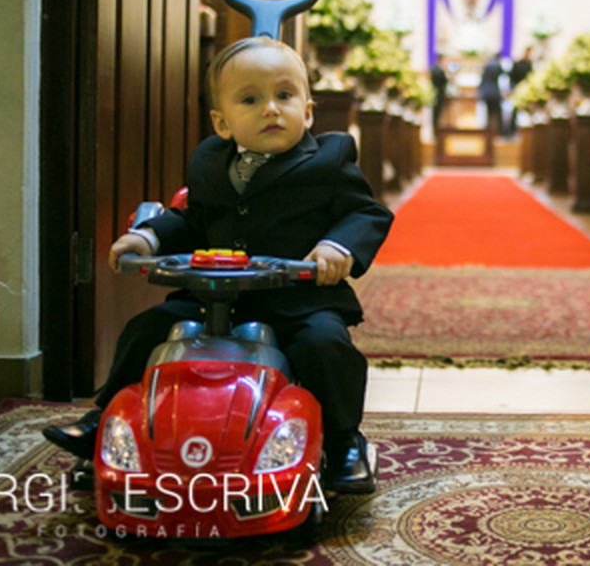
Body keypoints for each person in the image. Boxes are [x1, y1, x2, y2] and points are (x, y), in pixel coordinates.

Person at [43, 36, 394, 495]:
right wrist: (147, 237)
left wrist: (336, 247)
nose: (271, 109)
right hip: (211, 299)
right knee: (149, 327)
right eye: (251, 99)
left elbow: (367, 213)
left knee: (325, 347)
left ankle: (345, 438)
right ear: (222, 123)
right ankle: (103, 418)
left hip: (299, 301)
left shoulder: (329, 159)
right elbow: (193, 219)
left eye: (284, 96)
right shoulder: (208, 162)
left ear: (307, 111)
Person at [478, 52, 505, 136]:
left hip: (487, 92)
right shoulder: (498, 66)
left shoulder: (487, 65)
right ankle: (497, 132)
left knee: (488, 113)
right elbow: (503, 77)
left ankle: (488, 132)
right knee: (497, 113)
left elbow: (482, 79)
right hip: (495, 92)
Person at [430, 53, 449, 130]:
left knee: (436, 114)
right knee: (436, 114)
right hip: (438, 94)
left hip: (435, 93)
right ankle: (436, 131)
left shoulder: (434, 68)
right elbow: (443, 81)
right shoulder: (438, 70)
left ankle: (435, 130)